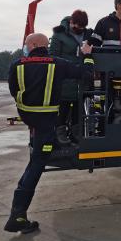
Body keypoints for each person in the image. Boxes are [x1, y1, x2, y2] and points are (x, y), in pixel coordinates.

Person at [5, 33, 94, 234]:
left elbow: (13, 90)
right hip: (46, 124)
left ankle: (18, 213)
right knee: (36, 165)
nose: (25, 47)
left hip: (31, 121)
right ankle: (17, 215)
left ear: (34, 45)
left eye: (26, 44)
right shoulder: (58, 64)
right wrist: (87, 55)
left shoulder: (17, 65)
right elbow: (87, 73)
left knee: (35, 161)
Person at [49, 10, 93, 143]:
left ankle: (76, 133)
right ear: (72, 22)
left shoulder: (88, 34)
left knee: (79, 107)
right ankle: (60, 132)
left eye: (82, 27)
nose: (80, 29)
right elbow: (53, 56)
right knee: (63, 106)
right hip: (65, 79)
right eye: (78, 27)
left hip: (81, 77)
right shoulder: (59, 35)